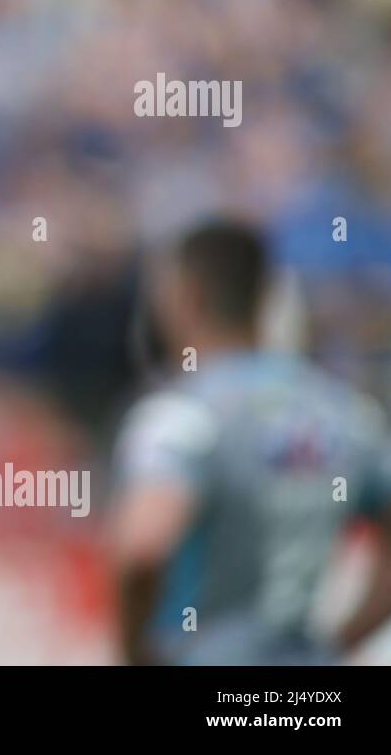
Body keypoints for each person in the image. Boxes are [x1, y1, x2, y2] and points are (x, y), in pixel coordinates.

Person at [113, 219, 391, 664]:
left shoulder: (182, 417)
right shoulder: (345, 414)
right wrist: (340, 644)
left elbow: (144, 546)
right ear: (266, 300)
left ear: (186, 296)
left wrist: (133, 653)